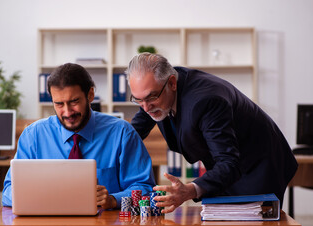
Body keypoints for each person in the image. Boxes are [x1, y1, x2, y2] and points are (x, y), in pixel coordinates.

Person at [126, 53, 298, 214]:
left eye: (151, 98)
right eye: (138, 100)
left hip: (258, 163)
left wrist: (189, 190)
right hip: (224, 165)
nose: (146, 108)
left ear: (172, 83)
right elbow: (134, 132)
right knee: (217, 224)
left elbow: (229, 162)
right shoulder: (155, 91)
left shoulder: (206, 101)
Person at [2, 63, 155, 209]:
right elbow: (8, 191)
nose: (68, 112)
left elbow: (145, 188)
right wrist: (39, 196)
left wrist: (114, 200)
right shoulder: (33, 136)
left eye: (74, 101)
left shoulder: (122, 133)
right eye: (59, 104)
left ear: (90, 95)